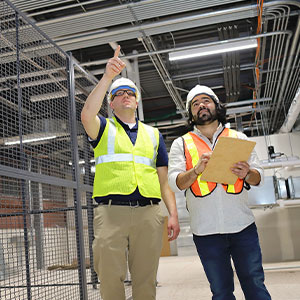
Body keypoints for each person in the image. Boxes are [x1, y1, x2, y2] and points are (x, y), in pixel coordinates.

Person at [81, 46, 180, 300]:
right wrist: (106, 79)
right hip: (111, 212)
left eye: (130, 93)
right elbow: (86, 114)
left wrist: (173, 215)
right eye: (119, 93)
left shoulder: (154, 135)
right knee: (110, 278)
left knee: (146, 279)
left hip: (149, 213)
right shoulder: (103, 128)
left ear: (137, 101)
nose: (125, 96)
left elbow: (163, 182)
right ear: (111, 103)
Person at [168, 84, 271, 300]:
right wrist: (195, 171)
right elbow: (175, 181)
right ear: (191, 113)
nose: (201, 106)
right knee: (221, 292)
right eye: (195, 104)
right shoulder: (181, 143)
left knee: (255, 285)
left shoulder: (238, 137)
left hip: (242, 227)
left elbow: (259, 177)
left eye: (206, 100)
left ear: (216, 105)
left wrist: (247, 173)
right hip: (206, 232)